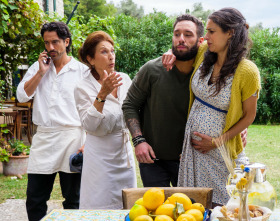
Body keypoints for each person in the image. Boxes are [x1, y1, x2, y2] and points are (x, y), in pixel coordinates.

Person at [177, 8, 261, 206]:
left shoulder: (247, 70)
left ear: (230, 32)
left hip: (221, 152)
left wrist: (216, 142)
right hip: (194, 151)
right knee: (195, 205)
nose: (206, 37)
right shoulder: (206, 52)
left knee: (225, 206)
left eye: (211, 31)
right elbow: (181, 51)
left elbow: (249, 116)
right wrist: (169, 54)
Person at [122, 14, 205, 187]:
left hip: (191, 159)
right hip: (153, 159)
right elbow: (130, 104)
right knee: (155, 211)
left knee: (192, 210)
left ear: (200, 41)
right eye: (177, 34)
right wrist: (139, 141)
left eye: (188, 34)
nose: (181, 39)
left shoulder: (207, 74)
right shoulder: (152, 69)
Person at [16, 21, 87, 221]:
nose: (50, 48)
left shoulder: (81, 71)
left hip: (72, 137)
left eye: (55, 42)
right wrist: (41, 73)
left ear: (66, 42)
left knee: (74, 200)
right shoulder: (38, 68)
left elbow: (91, 108)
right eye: (46, 43)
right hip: (44, 138)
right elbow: (22, 96)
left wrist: (86, 141)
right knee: (35, 199)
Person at [75, 31, 137, 209]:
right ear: (90, 59)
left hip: (124, 156)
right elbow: (90, 125)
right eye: (104, 52)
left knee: (128, 207)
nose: (111, 56)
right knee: (100, 207)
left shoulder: (124, 79)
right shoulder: (82, 87)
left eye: (112, 51)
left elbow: (133, 112)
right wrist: (102, 94)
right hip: (100, 159)